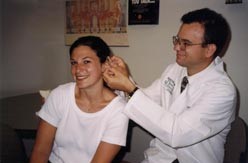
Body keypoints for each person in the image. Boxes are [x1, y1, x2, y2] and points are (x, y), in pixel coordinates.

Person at [103, 8, 237, 163]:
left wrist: (128, 87)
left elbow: (176, 133)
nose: (176, 47)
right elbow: (147, 99)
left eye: (185, 43)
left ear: (209, 50)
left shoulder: (222, 91)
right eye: (177, 40)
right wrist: (124, 79)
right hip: (159, 158)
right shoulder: (175, 69)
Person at [30, 36, 129, 163]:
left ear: (104, 65)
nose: (78, 69)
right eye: (74, 63)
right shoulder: (60, 95)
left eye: (86, 61)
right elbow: (41, 151)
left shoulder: (118, 111)